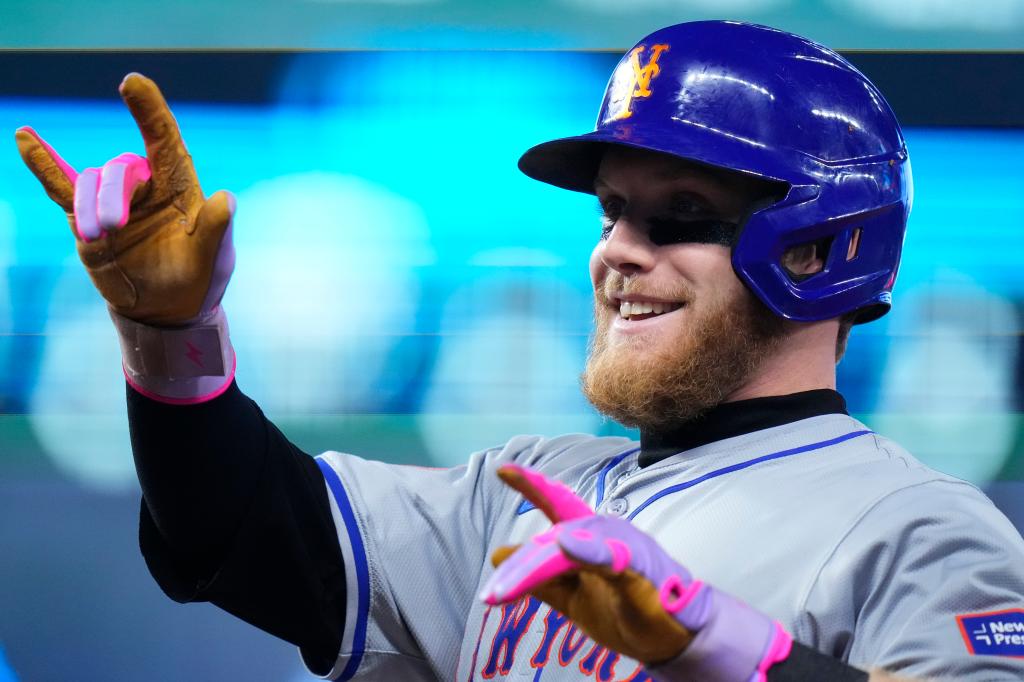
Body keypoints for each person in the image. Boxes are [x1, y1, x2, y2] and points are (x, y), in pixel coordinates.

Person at [16, 19, 1024, 682]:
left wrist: (716, 642)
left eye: (678, 216)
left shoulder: (919, 530)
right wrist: (167, 336)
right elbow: (239, 526)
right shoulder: (529, 489)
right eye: (612, 212)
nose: (617, 254)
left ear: (816, 248)